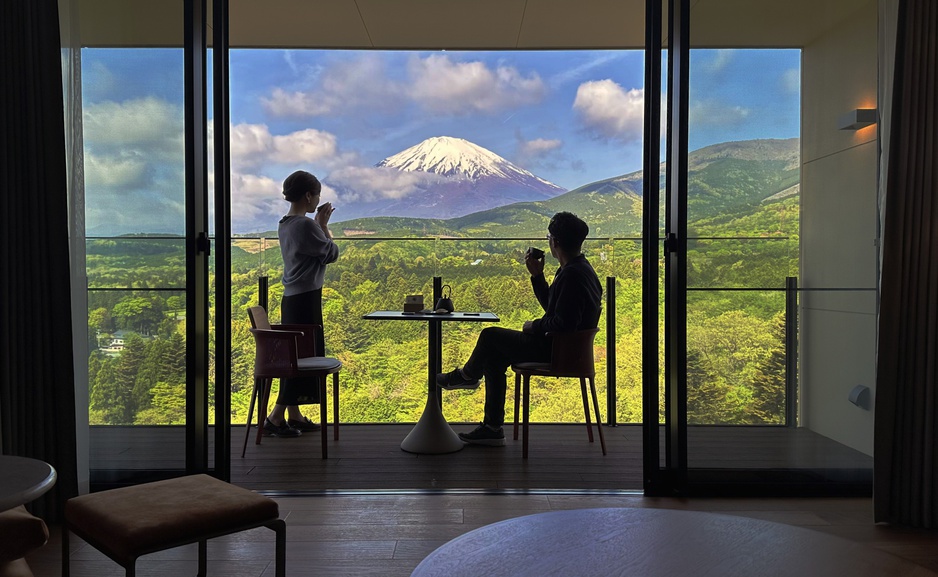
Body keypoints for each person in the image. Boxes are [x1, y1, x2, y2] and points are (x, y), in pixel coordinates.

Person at [436, 211, 602, 446]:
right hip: (566, 349)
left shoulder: (572, 275)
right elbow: (555, 310)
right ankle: (492, 428)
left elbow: (564, 324)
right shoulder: (580, 269)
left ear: (554, 242)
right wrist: (537, 277)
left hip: (555, 350)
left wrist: (533, 326)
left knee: (490, 335)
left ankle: (467, 376)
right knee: (493, 357)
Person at [263, 170, 339, 437]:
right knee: (302, 359)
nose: (317, 201)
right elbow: (331, 253)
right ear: (309, 196)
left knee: (298, 357)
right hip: (306, 299)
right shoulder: (305, 225)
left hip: (292, 299)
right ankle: (274, 417)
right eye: (316, 196)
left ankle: (293, 416)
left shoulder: (284, 224)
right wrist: (323, 225)